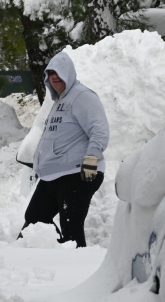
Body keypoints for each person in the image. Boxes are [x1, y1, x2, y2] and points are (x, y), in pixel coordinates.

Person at [21, 51, 109, 247]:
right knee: (34, 220)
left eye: (59, 72)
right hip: (53, 177)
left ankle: (74, 269)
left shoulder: (82, 96)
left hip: (77, 173)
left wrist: (91, 159)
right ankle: (40, 265)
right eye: (50, 73)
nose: (54, 77)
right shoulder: (59, 102)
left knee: (71, 226)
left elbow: (99, 130)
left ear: (68, 73)